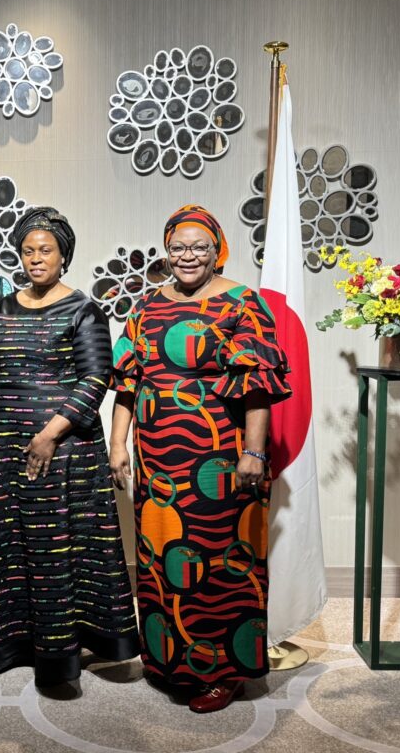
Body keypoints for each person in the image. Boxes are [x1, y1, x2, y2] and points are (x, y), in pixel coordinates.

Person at [109, 204, 291, 713]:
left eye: (199, 248)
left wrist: (254, 451)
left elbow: (258, 386)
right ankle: (167, 660)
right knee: (160, 558)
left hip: (219, 459)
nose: (188, 256)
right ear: (167, 251)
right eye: (178, 247)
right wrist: (118, 442)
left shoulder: (242, 302)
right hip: (158, 460)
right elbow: (128, 380)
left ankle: (222, 672)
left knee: (218, 564)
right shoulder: (146, 306)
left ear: (217, 250)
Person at [0, 207, 139, 686]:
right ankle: (8, 646)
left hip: (65, 451)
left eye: (46, 250)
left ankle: (61, 657)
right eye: (27, 251)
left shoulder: (84, 310)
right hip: (4, 445)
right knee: (9, 547)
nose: (36, 259)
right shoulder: (1, 308)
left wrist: (49, 433)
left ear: (64, 256)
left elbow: (96, 378)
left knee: (58, 548)